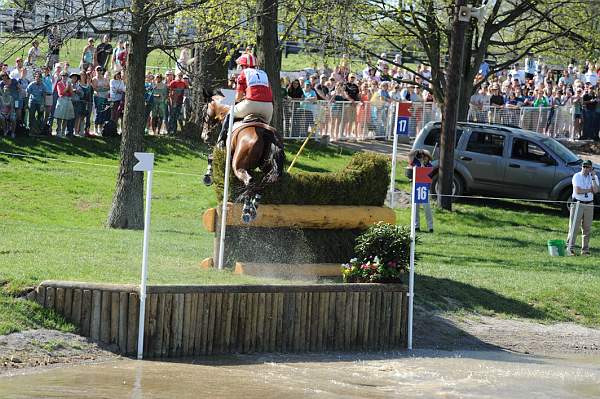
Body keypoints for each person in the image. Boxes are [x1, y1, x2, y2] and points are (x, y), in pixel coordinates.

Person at [216, 53, 273, 147]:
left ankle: (221, 142)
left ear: (243, 65)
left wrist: (234, 98)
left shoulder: (244, 73)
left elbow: (238, 97)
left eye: (240, 66)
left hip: (251, 104)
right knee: (266, 130)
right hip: (268, 107)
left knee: (229, 113)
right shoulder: (264, 74)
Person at [566, 160, 599, 256]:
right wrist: (589, 190)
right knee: (573, 227)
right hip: (577, 204)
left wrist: (593, 178)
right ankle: (569, 248)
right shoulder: (577, 176)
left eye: (587, 167)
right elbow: (578, 191)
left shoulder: (594, 177)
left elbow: (596, 190)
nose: (585, 169)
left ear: (591, 168)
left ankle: (585, 250)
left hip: (589, 204)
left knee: (587, 228)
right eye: (584, 167)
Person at [409, 149, 434, 232]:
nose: (423, 158)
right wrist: (416, 152)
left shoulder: (430, 166)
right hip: (415, 188)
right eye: (422, 157)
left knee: (427, 208)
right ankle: (416, 226)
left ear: (428, 158)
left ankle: (430, 227)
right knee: (415, 207)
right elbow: (410, 156)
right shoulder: (415, 162)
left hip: (424, 189)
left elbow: (426, 174)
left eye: (425, 157)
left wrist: (423, 164)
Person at [53, 71, 74, 137]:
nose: (64, 77)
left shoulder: (69, 83)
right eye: (63, 75)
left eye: (66, 76)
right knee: (59, 117)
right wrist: (67, 88)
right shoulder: (59, 83)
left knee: (66, 117)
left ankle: (63, 132)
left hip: (68, 100)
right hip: (61, 100)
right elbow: (61, 93)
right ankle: (58, 131)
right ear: (61, 76)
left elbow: (71, 94)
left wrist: (68, 89)